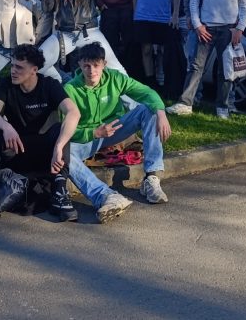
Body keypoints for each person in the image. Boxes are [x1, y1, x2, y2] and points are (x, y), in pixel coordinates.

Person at [0, 44, 82, 228]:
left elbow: (73, 112)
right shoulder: (6, 84)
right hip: (16, 150)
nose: (13, 71)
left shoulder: (49, 85)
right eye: (12, 65)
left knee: (60, 130)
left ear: (34, 69)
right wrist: (6, 126)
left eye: (19, 67)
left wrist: (59, 147)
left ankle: (60, 192)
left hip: (46, 156)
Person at [65, 43, 172, 223]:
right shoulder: (69, 89)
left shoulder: (115, 78)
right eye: (86, 66)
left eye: (96, 65)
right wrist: (93, 132)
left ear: (104, 64)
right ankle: (106, 196)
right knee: (63, 153)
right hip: (88, 137)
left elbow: (146, 92)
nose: (92, 71)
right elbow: (65, 129)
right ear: (80, 65)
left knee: (149, 109)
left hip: (115, 129)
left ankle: (152, 177)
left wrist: (161, 112)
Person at [166, 0, 246, 119]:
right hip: (206, 29)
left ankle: (223, 107)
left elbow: (245, 5)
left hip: (228, 30)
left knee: (225, 70)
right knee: (196, 66)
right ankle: (186, 103)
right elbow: (194, 1)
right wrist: (198, 25)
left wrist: (239, 29)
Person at [37, 0, 127, 80]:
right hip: (64, 34)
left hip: (89, 32)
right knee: (38, 62)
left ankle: (132, 94)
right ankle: (66, 86)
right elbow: (47, 8)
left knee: (117, 69)